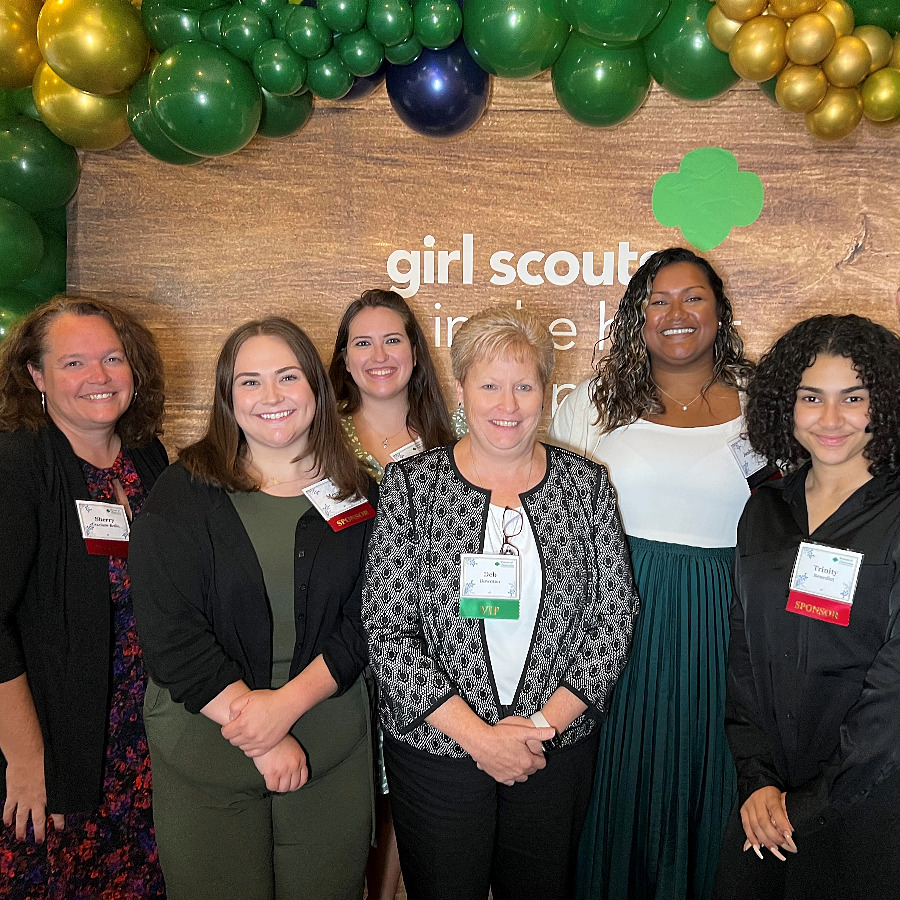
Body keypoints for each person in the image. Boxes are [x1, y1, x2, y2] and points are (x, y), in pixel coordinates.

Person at [363, 306, 639, 900]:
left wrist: (540, 728)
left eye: (523, 384)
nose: (506, 405)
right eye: (489, 385)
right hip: (438, 750)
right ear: (461, 389)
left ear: (546, 392)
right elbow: (388, 627)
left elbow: (613, 621)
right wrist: (478, 738)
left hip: (551, 751)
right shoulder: (413, 488)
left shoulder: (585, 486)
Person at [129, 317, 376, 900]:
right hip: (206, 749)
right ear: (227, 397)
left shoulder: (357, 493)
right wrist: (263, 734)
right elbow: (170, 633)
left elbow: (372, 618)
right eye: (250, 382)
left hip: (327, 745)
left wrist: (285, 708)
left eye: (288, 377)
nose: (271, 397)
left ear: (316, 388)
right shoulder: (182, 492)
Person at [550, 247, 759, 900]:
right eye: (656, 300)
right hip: (619, 624)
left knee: (714, 774)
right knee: (621, 772)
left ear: (720, 312)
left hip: (728, 626)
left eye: (692, 297)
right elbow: (554, 530)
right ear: (635, 319)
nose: (676, 313)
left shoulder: (767, 402)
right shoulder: (588, 406)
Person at [714, 314, 900, 900]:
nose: (830, 419)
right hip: (765, 801)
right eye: (811, 397)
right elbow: (744, 653)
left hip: (872, 797)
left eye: (853, 398)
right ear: (784, 405)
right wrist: (760, 780)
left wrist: (814, 800)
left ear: (884, 402)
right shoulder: (766, 509)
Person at [0, 296, 168, 898]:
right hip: (55, 749)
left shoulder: (147, 458)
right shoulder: (18, 463)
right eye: (73, 363)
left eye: (112, 358)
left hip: (141, 745)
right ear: (36, 376)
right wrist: (24, 759)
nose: (98, 377)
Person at [329, 288, 464, 900]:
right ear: (344, 358)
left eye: (393, 340)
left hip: (433, 660)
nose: (379, 355)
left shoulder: (454, 437)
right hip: (346, 655)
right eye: (363, 342)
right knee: (360, 808)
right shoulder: (319, 439)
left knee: (423, 811)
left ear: (415, 353)